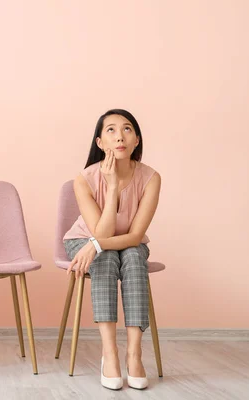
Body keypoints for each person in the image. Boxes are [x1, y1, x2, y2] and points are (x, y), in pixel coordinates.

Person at [63, 109, 161, 390]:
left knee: (131, 256)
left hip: (121, 244)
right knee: (106, 259)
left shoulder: (151, 178)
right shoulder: (84, 178)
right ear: (100, 144)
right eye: (111, 130)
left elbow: (136, 235)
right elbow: (99, 232)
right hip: (83, 240)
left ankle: (134, 353)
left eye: (127, 129)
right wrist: (113, 187)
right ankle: (110, 354)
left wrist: (95, 245)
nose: (120, 136)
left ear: (137, 139)